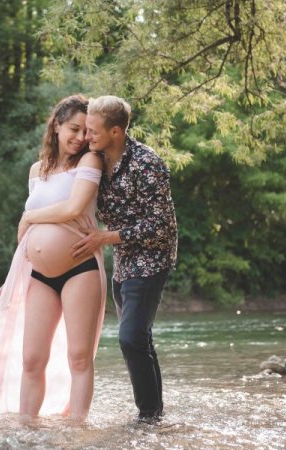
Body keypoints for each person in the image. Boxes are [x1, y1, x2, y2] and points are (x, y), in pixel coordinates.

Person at [0, 94, 107, 424]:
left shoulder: (89, 163)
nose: (80, 138)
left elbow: (73, 209)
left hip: (80, 269)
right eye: (74, 129)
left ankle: (78, 428)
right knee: (32, 358)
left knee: (79, 356)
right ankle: (27, 428)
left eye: (85, 131)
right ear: (56, 127)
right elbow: (27, 240)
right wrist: (12, 278)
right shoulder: (37, 170)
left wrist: (29, 217)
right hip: (39, 275)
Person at [71, 95, 178, 424]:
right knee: (139, 338)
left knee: (130, 337)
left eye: (93, 132)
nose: (86, 138)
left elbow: (161, 225)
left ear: (116, 132)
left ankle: (147, 416)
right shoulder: (95, 161)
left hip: (152, 258)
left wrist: (106, 237)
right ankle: (154, 414)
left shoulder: (147, 163)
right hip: (123, 260)